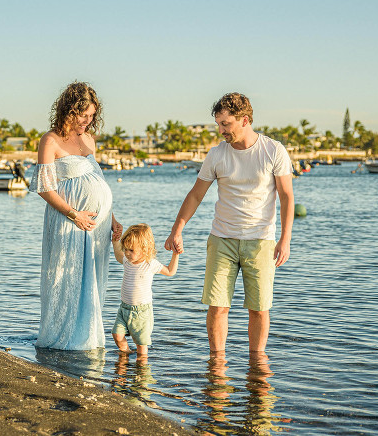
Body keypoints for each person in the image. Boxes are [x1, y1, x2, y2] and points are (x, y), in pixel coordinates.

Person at [164, 92, 294, 355]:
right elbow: (196, 194)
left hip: (260, 241)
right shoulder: (216, 155)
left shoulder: (273, 150)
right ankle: (217, 362)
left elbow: (286, 196)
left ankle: (256, 364)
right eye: (219, 124)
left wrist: (285, 239)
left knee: (259, 308)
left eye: (226, 124)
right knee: (217, 306)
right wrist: (178, 228)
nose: (221, 130)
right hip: (222, 239)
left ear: (245, 120)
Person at [28, 81, 123, 350]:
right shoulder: (51, 140)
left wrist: (112, 218)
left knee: (92, 279)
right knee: (65, 276)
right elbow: (44, 187)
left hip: (97, 224)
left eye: (92, 116)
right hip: (68, 222)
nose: (88, 121)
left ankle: (86, 337)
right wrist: (74, 214)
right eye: (83, 116)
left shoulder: (89, 139)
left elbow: (97, 179)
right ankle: (62, 340)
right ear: (69, 111)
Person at [112, 224, 179, 356]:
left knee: (141, 345)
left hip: (141, 312)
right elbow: (118, 256)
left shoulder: (150, 264)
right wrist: (115, 242)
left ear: (144, 248)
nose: (126, 253)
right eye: (125, 249)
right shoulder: (127, 260)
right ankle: (125, 356)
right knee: (117, 335)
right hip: (124, 309)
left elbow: (170, 271)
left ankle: (141, 371)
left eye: (131, 250)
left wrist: (175, 254)